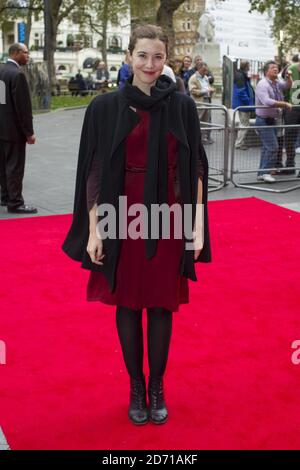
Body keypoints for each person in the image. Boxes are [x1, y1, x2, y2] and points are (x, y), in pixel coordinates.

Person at [62, 24, 211, 426]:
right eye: (142, 55)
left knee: (162, 303)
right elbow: (92, 169)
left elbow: (195, 165)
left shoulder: (181, 106)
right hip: (119, 212)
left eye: (158, 56)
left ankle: (157, 386)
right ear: (129, 56)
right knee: (127, 304)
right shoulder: (103, 107)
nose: (150, 64)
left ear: (167, 61)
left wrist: (195, 226)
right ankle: (134, 386)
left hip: (169, 214)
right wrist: (94, 228)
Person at [0, 43, 37, 213]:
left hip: (2, 129)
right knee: (15, 166)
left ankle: (6, 197)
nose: (28, 56)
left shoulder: (2, 72)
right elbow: (22, 108)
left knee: (3, 165)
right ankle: (15, 202)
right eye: (25, 53)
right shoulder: (17, 75)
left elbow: (2, 102)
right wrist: (29, 132)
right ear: (15, 53)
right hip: (14, 131)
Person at [255, 60, 292, 183]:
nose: (276, 69)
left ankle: (261, 173)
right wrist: (284, 104)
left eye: (276, 67)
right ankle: (265, 172)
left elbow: (287, 86)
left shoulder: (276, 82)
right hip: (263, 120)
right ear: (266, 71)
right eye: (272, 68)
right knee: (273, 147)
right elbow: (267, 101)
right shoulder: (263, 84)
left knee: (267, 148)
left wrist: (289, 78)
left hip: (272, 120)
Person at [188, 61, 215, 144]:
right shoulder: (193, 78)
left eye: (206, 70)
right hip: (199, 102)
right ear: (199, 69)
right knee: (197, 121)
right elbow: (192, 91)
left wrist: (211, 90)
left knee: (206, 121)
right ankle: (194, 138)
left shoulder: (205, 77)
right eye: (203, 70)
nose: (205, 72)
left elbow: (208, 87)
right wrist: (205, 91)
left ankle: (203, 139)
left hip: (207, 100)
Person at [232, 60, 255, 150]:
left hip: (241, 103)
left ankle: (240, 141)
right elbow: (241, 91)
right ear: (246, 66)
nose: (250, 67)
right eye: (249, 65)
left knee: (243, 123)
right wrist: (248, 102)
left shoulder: (240, 74)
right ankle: (239, 143)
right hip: (243, 104)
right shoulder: (241, 76)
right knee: (245, 124)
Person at [284, 56, 300, 176]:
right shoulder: (291, 69)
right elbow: (284, 87)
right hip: (292, 108)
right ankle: (290, 164)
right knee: (289, 135)